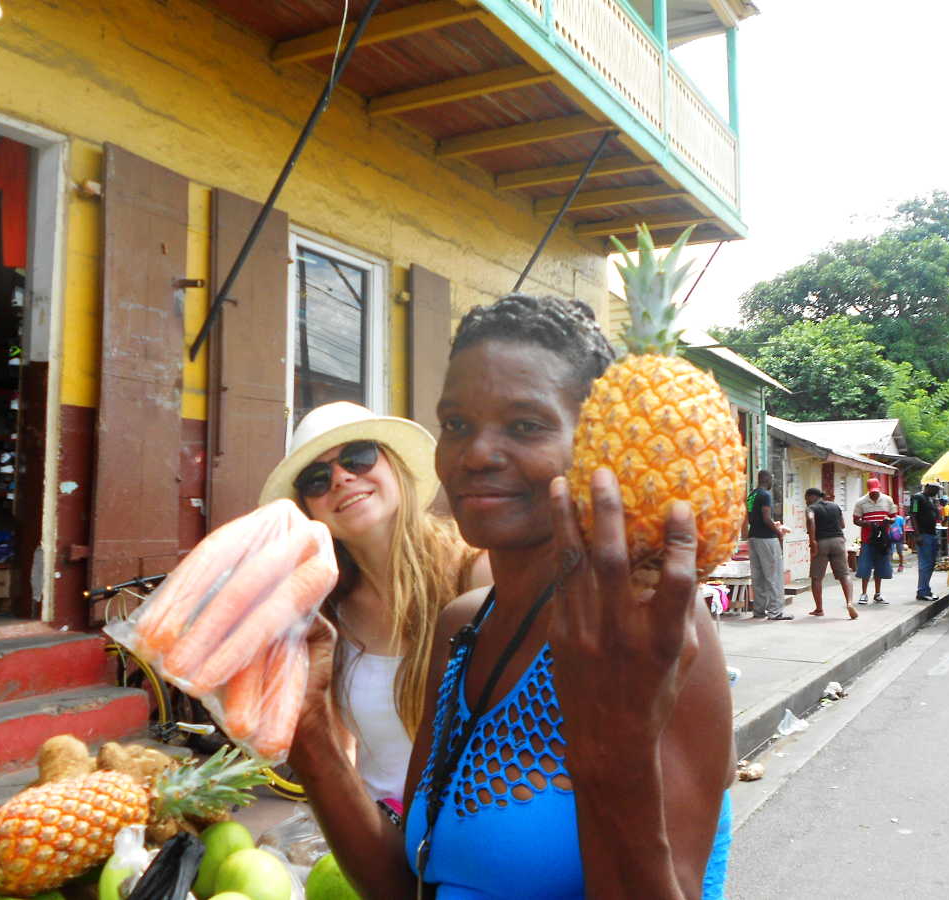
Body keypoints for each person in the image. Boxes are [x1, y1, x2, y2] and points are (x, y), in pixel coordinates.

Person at [289, 295, 736, 900]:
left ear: (600, 444)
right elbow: (408, 881)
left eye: (526, 425)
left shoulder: (649, 632)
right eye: (457, 425)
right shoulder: (460, 628)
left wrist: (612, 748)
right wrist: (310, 726)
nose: (476, 454)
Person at [259, 401, 491, 805]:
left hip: (473, 837)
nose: (342, 478)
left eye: (359, 456)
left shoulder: (477, 574)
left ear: (395, 467)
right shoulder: (325, 614)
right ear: (307, 507)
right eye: (317, 478)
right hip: (381, 843)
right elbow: (341, 755)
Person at [746, 469, 794, 621]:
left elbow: (751, 518)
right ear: (768, 480)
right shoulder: (765, 495)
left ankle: (759, 610)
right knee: (774, 575)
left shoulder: (751, 495)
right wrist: (778, 532)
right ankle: (775, 611)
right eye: (772, 480)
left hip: (753, 537)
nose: (773, 482)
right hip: (767, 538)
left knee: (758, 575)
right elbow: (767, 518)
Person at [804, 487, 857, 619]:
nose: (806, 502)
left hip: (821, 543)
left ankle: (819, 609)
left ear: (812, 496)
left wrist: (812, 541)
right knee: (844, 574)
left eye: (806, 499)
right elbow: (843, 524)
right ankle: (849, 602)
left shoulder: (811, 508)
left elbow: (810, 520)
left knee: (817, 576)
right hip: (838, 541)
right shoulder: (834, 506)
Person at [853, 477, 897, 604]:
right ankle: (864, 593)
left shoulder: (888, 500)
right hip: (868, 539)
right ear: (868, 490)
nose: (874, 493)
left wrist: (888, 521)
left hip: (883, 539)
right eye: (872, 492)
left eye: (876, 491)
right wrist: (868, 524)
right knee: (865, 567)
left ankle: (878, 593)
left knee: (881, 567)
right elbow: (856, 520)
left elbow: (894, 517)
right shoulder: (861, 502)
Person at [909, 482, 942, 601]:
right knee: (925, 563)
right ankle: (922, 591)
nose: (937, 492)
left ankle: (926, 588)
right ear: (929, 487)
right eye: (935, 489)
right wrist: (918, 534)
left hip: (932, 534)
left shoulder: (930, 500)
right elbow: (913, 515)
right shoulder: (917, 498)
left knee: (931, 563)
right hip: (924, 534)